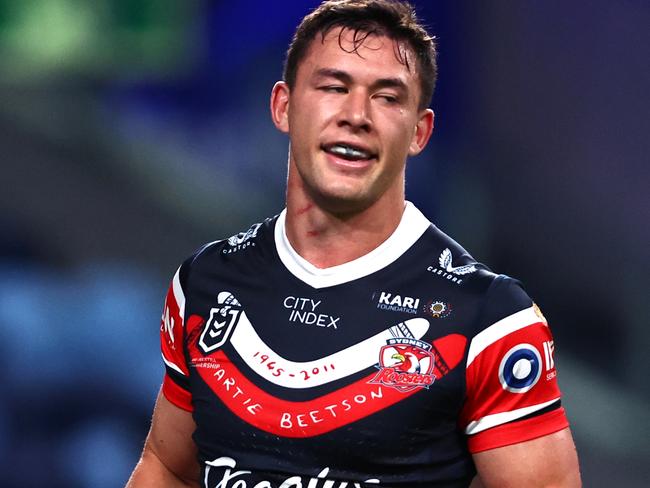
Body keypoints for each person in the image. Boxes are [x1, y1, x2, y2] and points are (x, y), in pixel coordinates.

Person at [126, 1, 581, 486]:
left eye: (387, 98)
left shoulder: (489, 319)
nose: (356, 115)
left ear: (419, 132)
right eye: (334, 87)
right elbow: (168, 467)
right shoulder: (206, 282)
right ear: (283, 106)